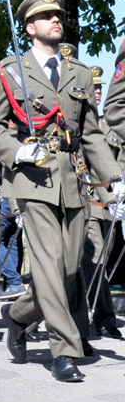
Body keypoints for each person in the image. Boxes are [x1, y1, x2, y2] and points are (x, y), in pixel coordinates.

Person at [0, 0, 124, 382]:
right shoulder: (11, 71)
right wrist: (16, 152)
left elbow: (93, 135)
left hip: (73, 182)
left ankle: (17, 315)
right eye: (46, 16)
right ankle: (63, 349)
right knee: (48, 264)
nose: (56, 20)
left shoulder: (79, 73)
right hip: (32, 181)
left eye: (59, 15)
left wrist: (113, 181)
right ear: (29, 27)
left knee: (66, 269)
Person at [78, 59, 123, 339]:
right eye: (92, 88)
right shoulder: (75, 123)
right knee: (92, 258)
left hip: (108, 202)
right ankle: (103, 318)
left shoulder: (108, 127)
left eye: (99, 88)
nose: (96, 92)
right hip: (87, 199)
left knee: (101, 260)